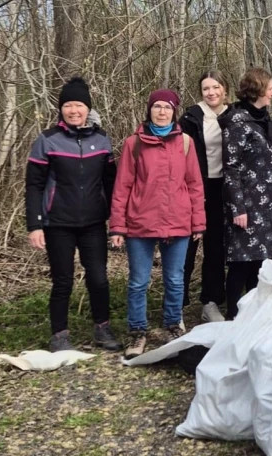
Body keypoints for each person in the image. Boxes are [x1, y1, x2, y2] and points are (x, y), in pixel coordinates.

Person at [25, 77, 119, 352]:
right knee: (62, 280)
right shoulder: (47, 140)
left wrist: (117, 221)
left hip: (93, 222)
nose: (74, 110)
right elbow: (34, 185)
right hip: (58, 223)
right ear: (61, 109)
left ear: (88, 109)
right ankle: (60, 335)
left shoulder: (102, 140)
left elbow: (111, 183)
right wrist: (35, 225)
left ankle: (102, 328)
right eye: (68, 105)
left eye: (79, 105)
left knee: (98, 278)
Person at [110, 89, 206, 359]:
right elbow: (122, 186)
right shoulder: (134, 143)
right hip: (140, 222)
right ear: (149, 110)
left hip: (178, 221)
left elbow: (194, 184)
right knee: (138, 282)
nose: (162, 112)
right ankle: (137, 331)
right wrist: (117, 226)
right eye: (157, 107)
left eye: (167, 107)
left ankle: (173, 326)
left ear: (174, 112)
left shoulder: (185, 142)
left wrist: (198, 222)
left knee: (175, 279)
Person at [218, 68, 272, 319]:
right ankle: (233, 315)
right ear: (258, 90)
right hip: (249, 207)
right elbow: (231, 168)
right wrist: (238, 208)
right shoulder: (237, 122)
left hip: (271, 206)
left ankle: (255, 316)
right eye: (270, 88)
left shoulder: (263, 119)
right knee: (242, 263)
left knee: (262, 264)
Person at [180, 71, 229, 323]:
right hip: (196, 187)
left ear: (225, 89)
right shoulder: (190, 117)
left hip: (224, 188)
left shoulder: (234, 115)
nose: (211, 92)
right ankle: (177, 303)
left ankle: (211, 301)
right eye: (206, 88)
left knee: (216, 247)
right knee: (187, 245)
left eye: (215, 87)